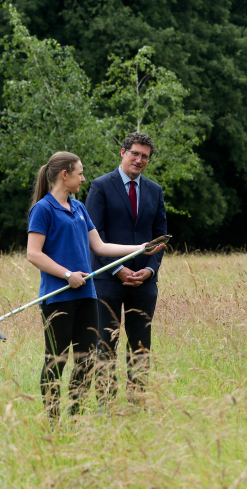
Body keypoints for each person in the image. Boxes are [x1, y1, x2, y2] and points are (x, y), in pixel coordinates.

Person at [27, 151, 164, 419]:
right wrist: (68, 274)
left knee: (87, 361)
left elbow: (100, 245)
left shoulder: (78, 208)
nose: (83, 178)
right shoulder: (43, 208)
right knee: (56, 361)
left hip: (87, 295)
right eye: (79, 173)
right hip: (59, 296)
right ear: (64, 175)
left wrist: (140, 248)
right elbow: (33, 253)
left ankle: (75, 417)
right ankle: (53, 422)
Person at [85, 132, 167, 404]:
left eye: (145, 156)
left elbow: (160, 236)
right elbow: (94, 233)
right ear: (123, 152)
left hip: (144, 282)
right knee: (105, 344)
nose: (139, 159)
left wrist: (150, 270)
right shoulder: (100, 186)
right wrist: (116, 269)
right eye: (135, 153)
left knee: (141, 346)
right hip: (108, 280)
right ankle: (105, 403)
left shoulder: (155, 191)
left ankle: (138, 402)